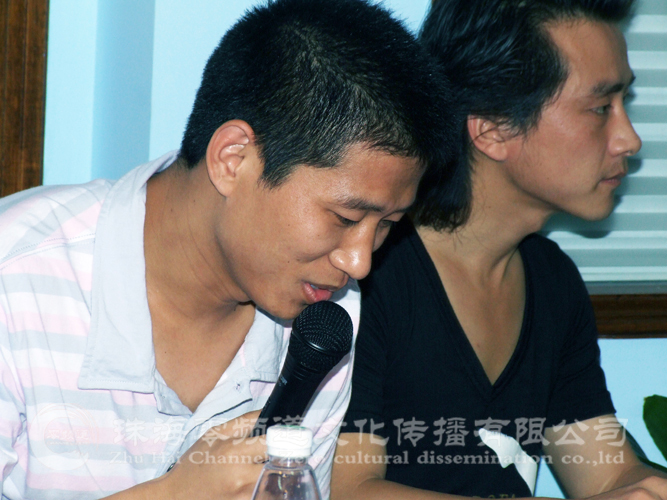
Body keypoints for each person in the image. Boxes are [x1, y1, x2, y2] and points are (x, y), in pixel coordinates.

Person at [0, 0, 457, 498]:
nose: (359, 262)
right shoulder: (16, 274)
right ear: (233, 160)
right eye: (345, 218)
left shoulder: (325, 318)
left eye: (386, 225)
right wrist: (173, 495)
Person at [331, 0, 667, 499]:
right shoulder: (368, 272)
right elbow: (348, 489)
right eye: (601, 108)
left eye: (625, 104)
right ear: (492, 129)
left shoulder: (552, 280)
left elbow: (608, 475)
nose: (629, 140)